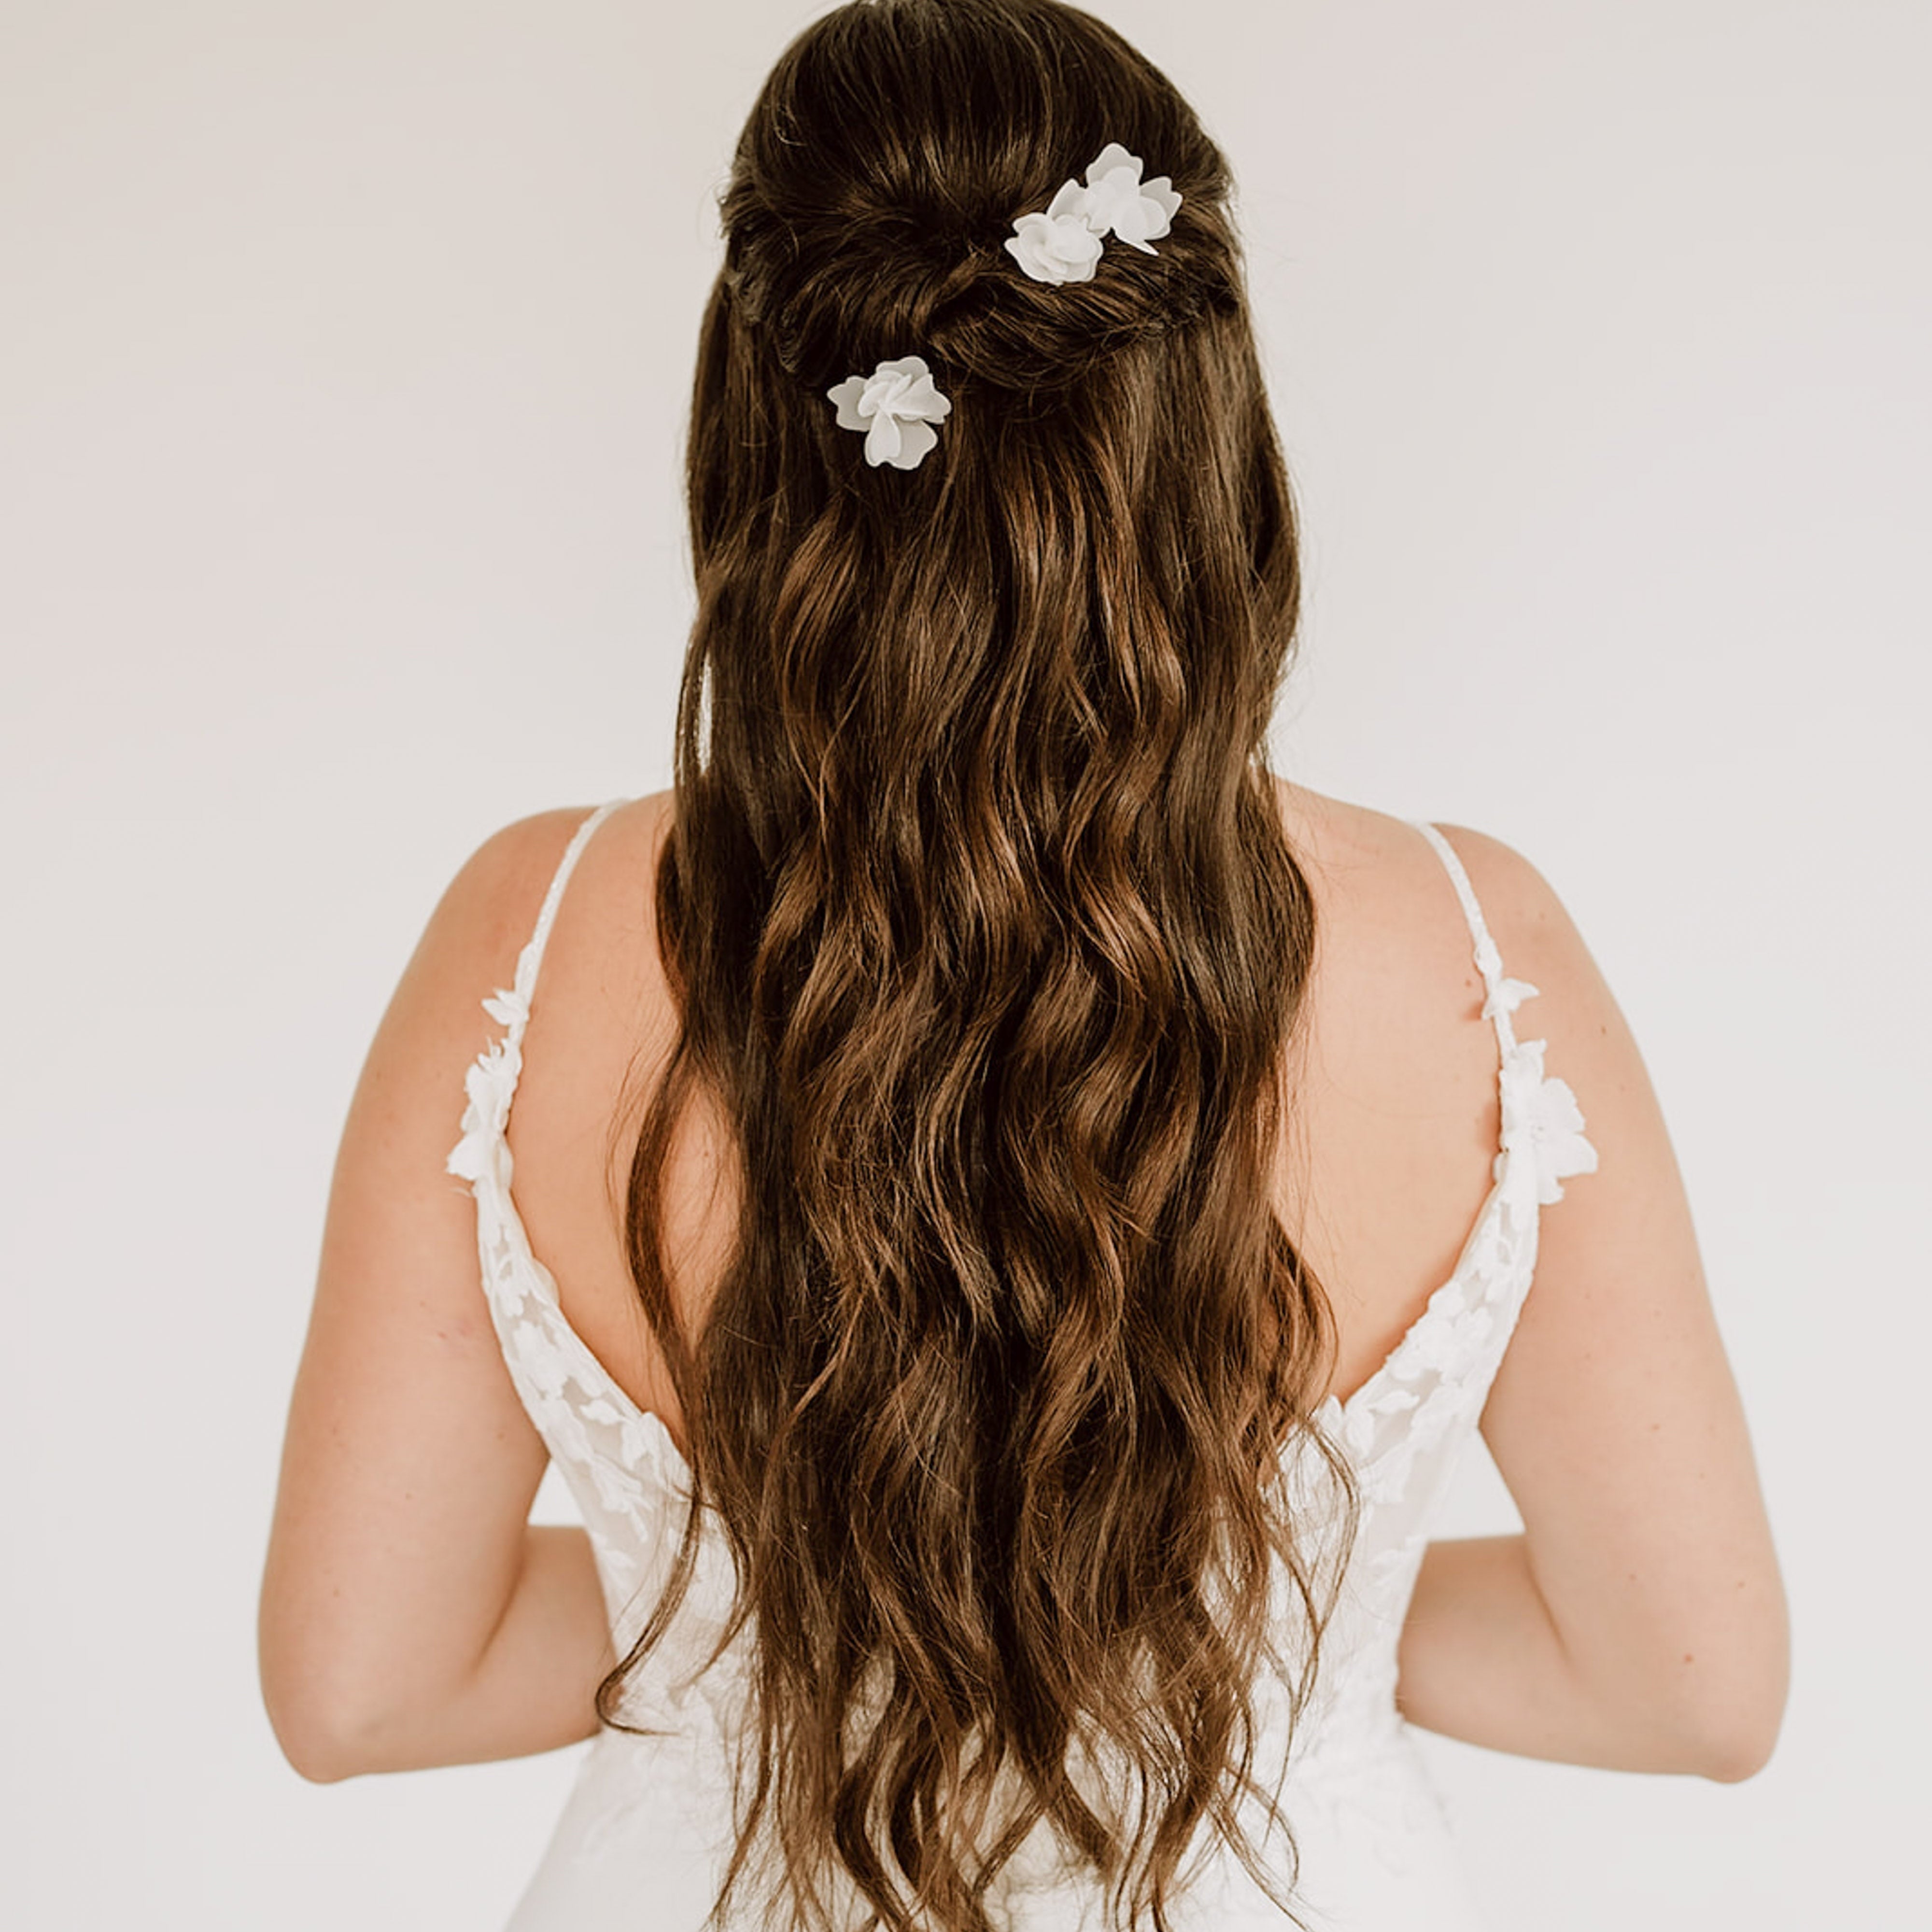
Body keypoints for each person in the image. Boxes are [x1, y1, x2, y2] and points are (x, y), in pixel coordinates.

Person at [258, 2, 1789, 1926]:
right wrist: (1242, 1626)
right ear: (1199, 420)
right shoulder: (1471, 952)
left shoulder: (536, 926)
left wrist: (807, 1626)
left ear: (754, 420)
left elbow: (364, 1679)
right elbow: (1688, 1679)